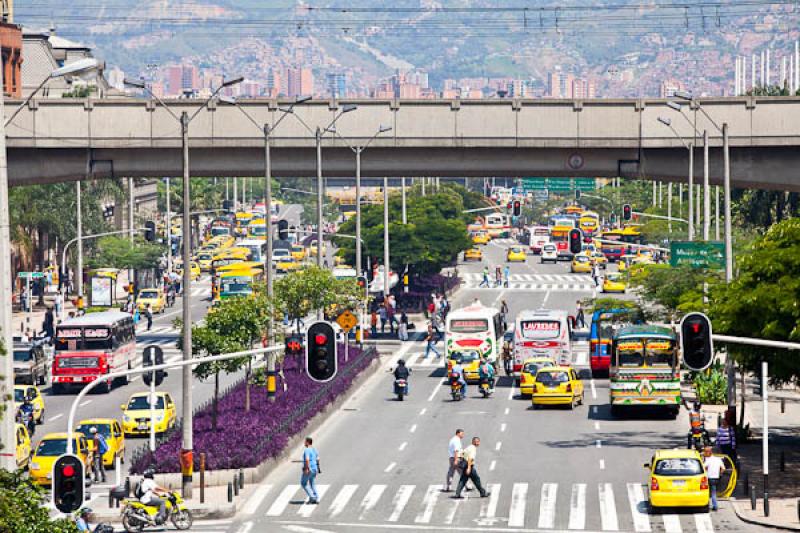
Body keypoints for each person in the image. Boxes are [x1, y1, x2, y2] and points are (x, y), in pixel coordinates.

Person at [703, 446, 726, 511]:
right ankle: (715, 505)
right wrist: (720, 474)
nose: (704, 453)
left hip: (709, 478)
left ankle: (707, 505)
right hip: (716, 478)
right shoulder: (718, 459)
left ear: (709, 452)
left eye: (705, 452)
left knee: (707, 492)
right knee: (713, 492)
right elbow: (723, 468)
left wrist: (706, 470)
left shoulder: (709, 460)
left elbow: (703, 467)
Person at [301, 437, 321, 504]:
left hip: (309, 469)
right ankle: (317, 498)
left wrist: (307, 468)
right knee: (312, 484)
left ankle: (312, 497)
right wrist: (318, 468)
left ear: (307, 442)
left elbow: (307, 459)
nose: (304, 443)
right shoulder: (314, 449)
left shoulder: (307, 450)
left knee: (303, 483)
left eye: (305, 441)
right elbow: (318, 459)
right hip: (314, 469)